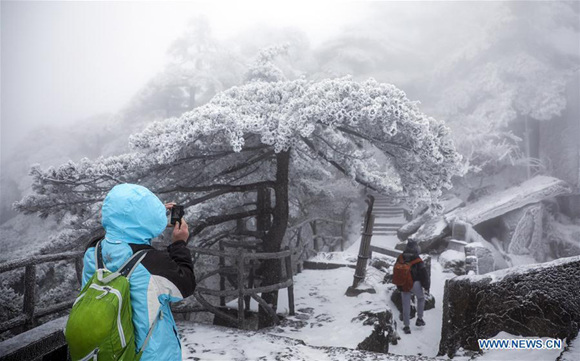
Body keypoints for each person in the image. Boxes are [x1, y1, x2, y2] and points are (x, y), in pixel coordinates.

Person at [81, 183, 196, 360]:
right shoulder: (152, 263)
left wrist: (148, 215)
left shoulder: (92, 252)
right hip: (147, 355)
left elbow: (117, 231)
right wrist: (179, 244)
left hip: (105, 351)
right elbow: (186, 285)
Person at [399, 240, 430, 335]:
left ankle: (406, 326)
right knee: (420, 299)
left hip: (404, 283)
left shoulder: (401, 257)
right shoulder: (417, 259)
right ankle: (419, 319)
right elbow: (424, 273)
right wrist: (426, 286)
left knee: (406, 304)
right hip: (415, 283)